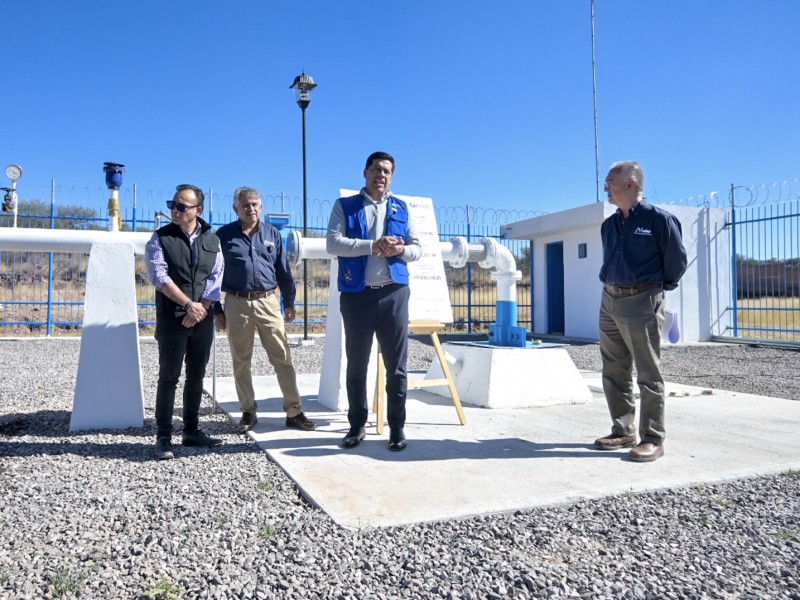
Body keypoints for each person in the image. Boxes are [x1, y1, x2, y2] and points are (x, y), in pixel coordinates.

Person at [326, 151, 422, 451]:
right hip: (357, 296)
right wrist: (372, 246)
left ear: (391, 177)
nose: (381, 175)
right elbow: (333, 243)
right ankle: (357, 426)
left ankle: (397, 428)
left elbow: (417, 249)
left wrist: (401, 251)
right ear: (365, 172)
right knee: (357, 364)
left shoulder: (401, 208)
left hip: (394, 293)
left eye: (387, 171)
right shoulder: (345, 206)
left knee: (397, 366)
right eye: (377, 169)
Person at [595, 161, 688, 463]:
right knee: (613, 369)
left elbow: (676, 262)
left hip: (643, 300)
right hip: (610, 299)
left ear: (631, 184)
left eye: (611, 182)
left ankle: (653, 438)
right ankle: (623, 430)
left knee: (648, 372)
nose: (606, 188)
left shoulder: (659, 219)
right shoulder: (609, 225)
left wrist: (655, 292)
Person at [215, 187, 317, 434]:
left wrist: (289, 301)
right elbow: (213, 274)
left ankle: (294, 412)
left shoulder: (273, 234)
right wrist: (216, 309)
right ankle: (248, 411)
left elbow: (283, 270)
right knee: (241, 362)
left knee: (283, 358)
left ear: (260, 206)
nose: (251, 209)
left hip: (268, 302)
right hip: (237, 304)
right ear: (236, 208)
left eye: (255, 204)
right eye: (245, 205)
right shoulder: (224, 236)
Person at [145, 184, 224, 460]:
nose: (175, 210)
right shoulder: (160, 237)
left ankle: (191, 431)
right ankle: (163, 437)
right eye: (173, 205)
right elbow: (159, 276)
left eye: (181, 206)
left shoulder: (212, 240)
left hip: (202, 318)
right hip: (173, 318)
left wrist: (202, 308)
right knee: (169, 377)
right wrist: (189, 305)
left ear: (197, 210)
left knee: (196, 376)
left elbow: (216, 277)